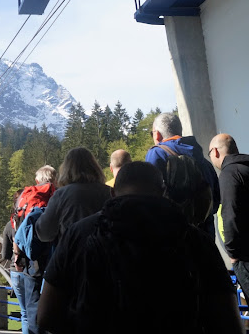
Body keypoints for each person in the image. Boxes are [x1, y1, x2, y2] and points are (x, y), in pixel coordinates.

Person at [37, 161, 242, 334]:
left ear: (112, 193)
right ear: (163, 192)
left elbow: (46, 316)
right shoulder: (194, 239)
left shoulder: (79, 233)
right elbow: (229, 322)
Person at [2, 165, 56, 334]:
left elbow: (16, 234)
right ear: (54, 179)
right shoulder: (59, 196)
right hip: (55, 260)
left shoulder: (26, 198)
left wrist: (17, 256)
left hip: (29, 263)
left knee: (29, 312)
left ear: (37, 180)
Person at [145, 112, 220, 235]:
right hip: (206, 236)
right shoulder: (203, 161)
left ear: (157, 134)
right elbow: (216, 201)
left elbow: (149, 200)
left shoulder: (157, 154)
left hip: (174, 238)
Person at [34, 147, 111, 244]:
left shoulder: (61, 194)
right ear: (95, 167)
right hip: (105, 254)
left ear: (66, 169)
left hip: (73, 253)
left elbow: (44, 234)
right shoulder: (109, 192)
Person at [209, 133, 249, 293]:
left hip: (245, 257)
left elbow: (230, 214)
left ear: (216, 152)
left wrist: (233, 254)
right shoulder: (245, 168)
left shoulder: (229, 174)